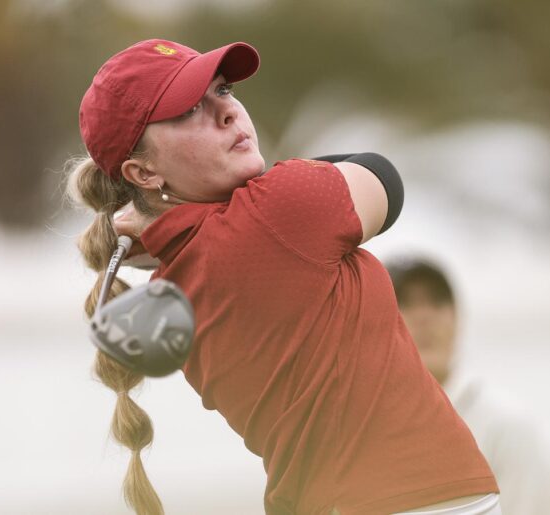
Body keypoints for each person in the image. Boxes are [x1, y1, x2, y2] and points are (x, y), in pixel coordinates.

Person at [67, 39, 500, 515]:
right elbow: (383, 178)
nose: (227, 112)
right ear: (143, 172)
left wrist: (157, 221)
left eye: (223, 90)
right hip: (420, 500)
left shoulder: (168, 283)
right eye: (189, 110)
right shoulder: (277, 210)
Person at [386, 258, 550, 515]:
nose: (424, 317)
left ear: (457, 319)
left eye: (437, 302)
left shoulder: (505, 425)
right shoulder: (354, 427)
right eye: (405, 303)